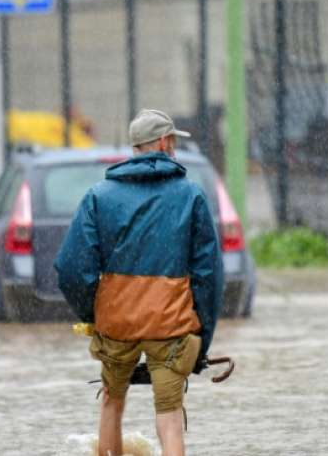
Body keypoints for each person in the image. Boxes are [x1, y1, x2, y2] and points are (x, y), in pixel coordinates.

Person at [54, 109, 224, 456]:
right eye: (173, 140)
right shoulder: (190, 196)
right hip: (172, 327)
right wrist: (202, 341)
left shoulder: (99, 197)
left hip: (117, 325)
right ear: (163, 143)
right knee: (170, 416)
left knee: (112, 403)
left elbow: (71, 269)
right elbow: (208, 277)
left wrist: (93, 314)